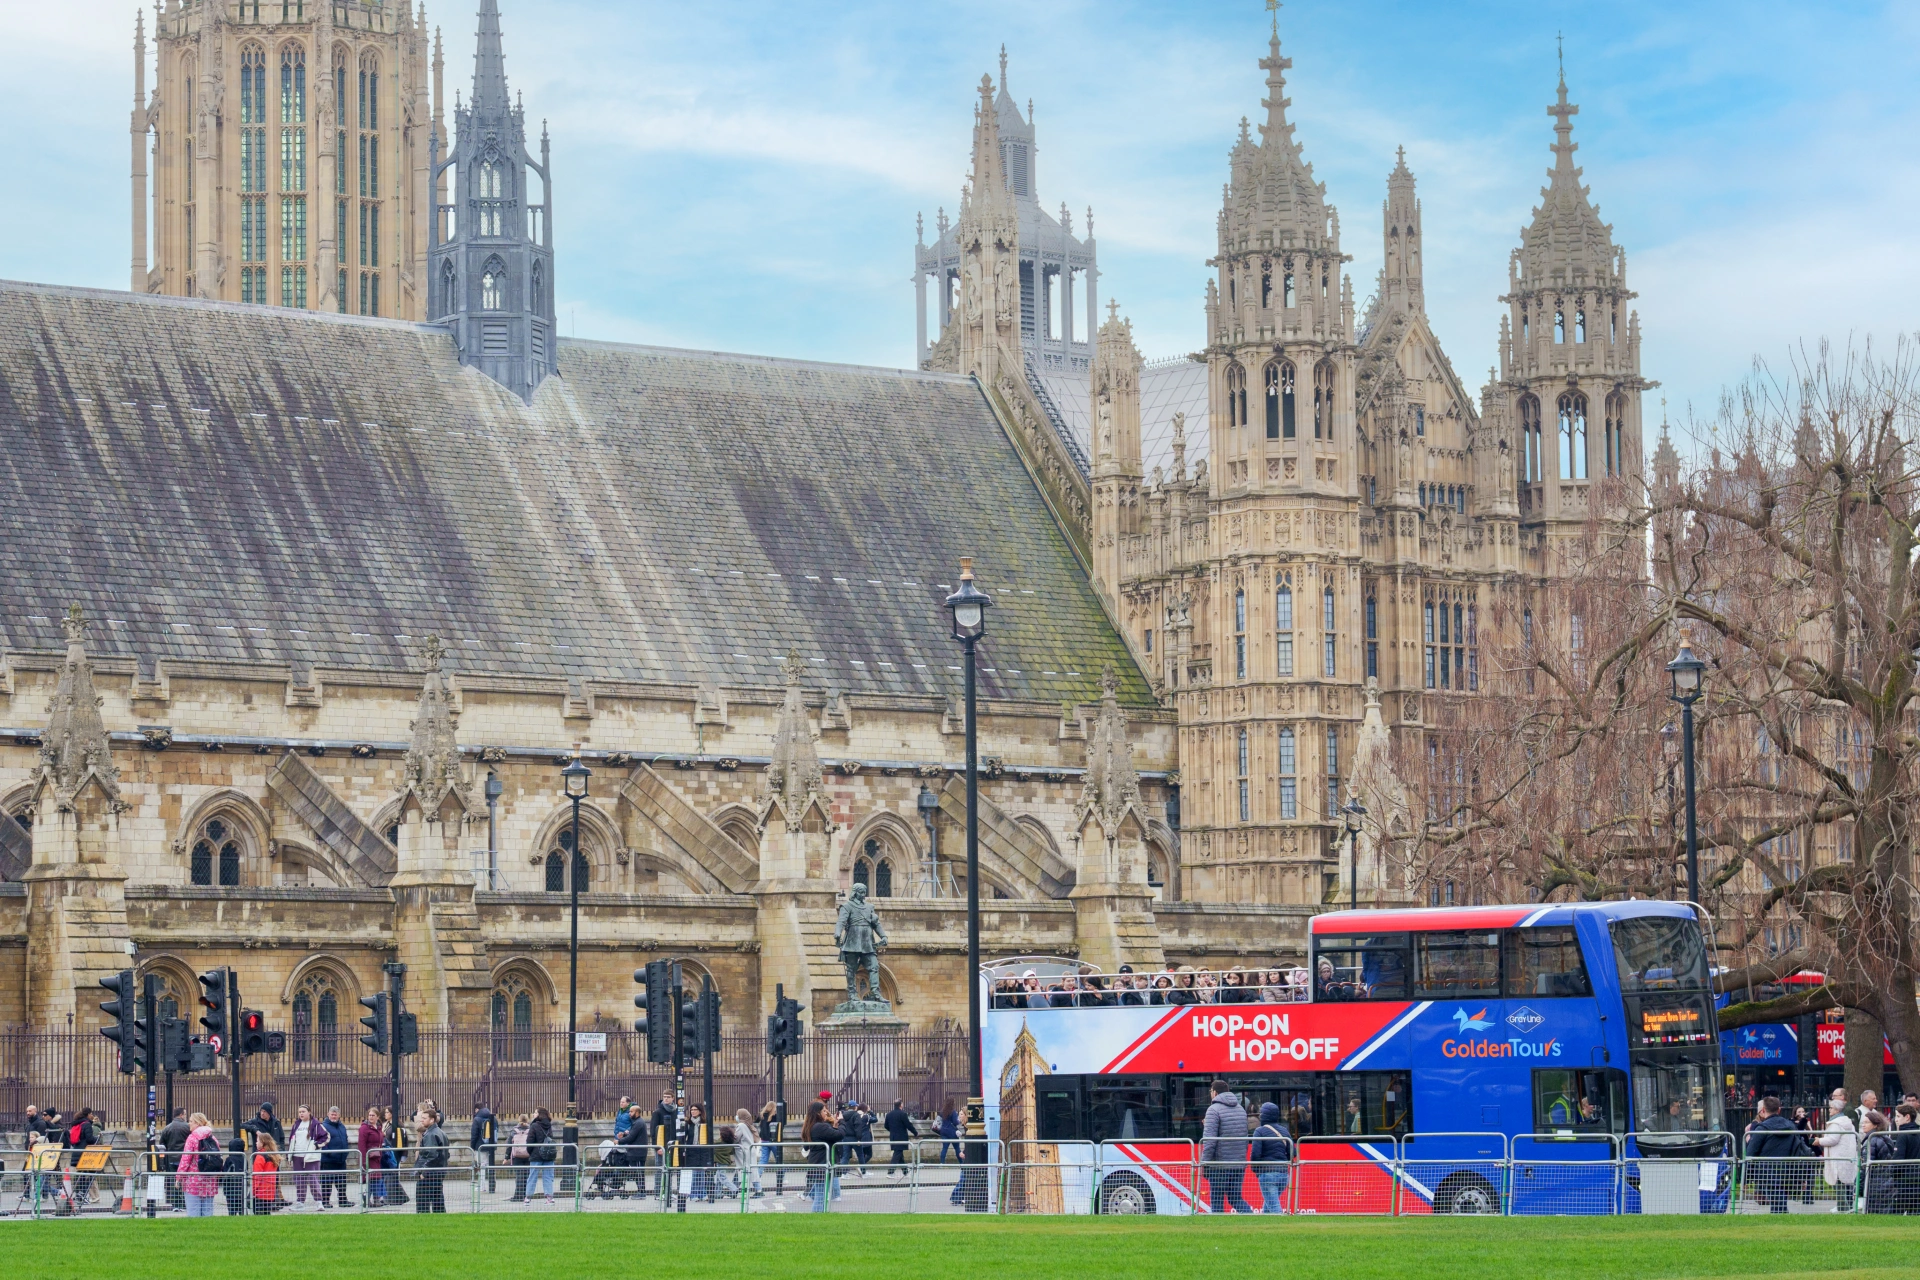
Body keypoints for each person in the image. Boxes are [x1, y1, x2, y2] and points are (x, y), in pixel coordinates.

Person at [1743, 1095, 1810, 1213]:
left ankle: (1780, 1221)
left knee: (1777, 1203)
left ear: (1763, 1110)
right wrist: (1802, 1176)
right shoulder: (1791, 1126)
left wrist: (1745, 1178)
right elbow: (1799, 1149)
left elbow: (1751, 1152)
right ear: (1779, 1109)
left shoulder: (1761, 1128)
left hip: (1767, 1171)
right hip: (1789, 1170)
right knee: (1780, 1202)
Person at [1200, 1080, 1254, 1214]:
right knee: (1235, 1198)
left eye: (1210, 1091)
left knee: (1217, 1200)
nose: (1210, 1094)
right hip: (1238, 1164)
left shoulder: (1213, 1110)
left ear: (1215, 1092)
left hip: (1219, 1165)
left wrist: (1204, 1163)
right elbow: (1244, 1138)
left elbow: (1209, 1141)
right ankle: (1252, 1219)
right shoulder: (1240, 1109)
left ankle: (1217, 1229)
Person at [1818, 1088, 1860, 1213]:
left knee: (1841, 1181)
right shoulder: (1843, 1118)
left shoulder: (1847, 1114)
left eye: (1835, 1096)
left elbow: (1834, 1138)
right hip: (1845, 1153)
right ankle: (1845, 1205)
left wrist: (1819, 1141)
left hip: (1841, 1154)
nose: (1833, 1098)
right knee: (1844, 1181)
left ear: (1843, 1097)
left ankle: (1844, 1206)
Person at [1250, 1101, 1292, 1214]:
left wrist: (1256, 1170)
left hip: (1267, 1174)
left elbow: (1255, 1154)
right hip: (1283, 1175)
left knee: (1275, 1209)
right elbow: (1292, 1153)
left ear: (1263, 1115)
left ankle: (1284, 1229)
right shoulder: (1284, 1131)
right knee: (1268, 1208)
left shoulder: (1259, 1131)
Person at [804, 1101, 842, 1213]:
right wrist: (842, 1123)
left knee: (821, 1193)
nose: (826, 1113)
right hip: (821, 1162)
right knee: (820, 1196)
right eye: (824, 1111)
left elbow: (831, 1136)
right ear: (817, 1113)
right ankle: (816, 1216)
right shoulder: (819, 1126)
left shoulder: (812, 1125)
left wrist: (834, 1127)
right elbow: (839, 1135)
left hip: (818, 1161)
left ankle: (817, 1212)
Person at [179, 1114, 221, 1217]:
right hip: (210, 1180)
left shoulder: (192, 1138)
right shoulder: (213, 1138)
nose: (189, 1123)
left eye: (191, 1121)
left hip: (193, 1180)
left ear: (197, 1123)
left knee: (193, 1213)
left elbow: (186, 1160)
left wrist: (179, 1176)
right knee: (207, 1213)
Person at [1862, 1110, 1900, 1214]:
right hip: (1886, 1180)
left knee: (1874, 1212)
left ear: (1875, 1124)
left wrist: (1860, 1185)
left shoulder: (1871, 1141)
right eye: (1863, 1122)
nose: (1863, 1125)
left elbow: (1865, 1166)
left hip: (1876, 1182)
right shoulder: (1885, 1138)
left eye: (1866, 1122)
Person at [288, 1104, 325, 1209]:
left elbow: (326, 1137)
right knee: (299, 1180)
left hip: (311, 1157)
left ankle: (319, 1202)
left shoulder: (316, 1124)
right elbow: (291, 1140)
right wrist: (290, 1156)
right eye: (299, 1112)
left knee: (313, 1180)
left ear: (309, 1112)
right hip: (297, 1156)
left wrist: (316, 1145)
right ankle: (300, 1202)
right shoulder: (296, 1125)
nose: (301, 1114)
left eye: (303, 1111)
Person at [415, 1107, 449, 1213]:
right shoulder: (440, 1132)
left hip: (430, 1172)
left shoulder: (431, 1134)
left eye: (424, 1118)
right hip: (439, 1171)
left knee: (423, 1201)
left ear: (432, 1120)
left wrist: (423, 1172)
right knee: (437, 1200)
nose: (422, 1120)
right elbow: (445, 1154)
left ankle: (423, 1221)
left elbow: (432, 1155)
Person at [65, 1107, 100, 1205]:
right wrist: (97, 1137)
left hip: (76, 1152)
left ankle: (79, 1195)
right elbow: (89, 1139)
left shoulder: (77, 1124)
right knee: (90, 1175)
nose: (92, 1115)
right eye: (91, 1113)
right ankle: (83, 1195)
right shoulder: (87, 1124)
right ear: (88, 1114)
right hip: (85, 1154)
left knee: (81, 1176)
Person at [318, 1106, 351, 1208]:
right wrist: (329, 1153)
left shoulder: (342, 1126)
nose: (333, 1116)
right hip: (328, 1160)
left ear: (339, 1115)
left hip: (341, 1160)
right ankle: (325, 1201)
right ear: (328, 1114)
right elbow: (321, 1142)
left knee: (342, 1182)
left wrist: (345, 1153)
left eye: (335, 1114)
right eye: (332, 1114)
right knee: (326, 1182)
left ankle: (343, 1200)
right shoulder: (323, 1126)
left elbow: (345, 1139)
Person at [160, 1106, 191, 1212]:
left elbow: (162, 1144)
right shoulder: (188, 1127)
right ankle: (185, 1203)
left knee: (174, 1181)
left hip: (172, 1158)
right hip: (185, 1158)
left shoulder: (167, 1128)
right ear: (181, 1115)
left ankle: (176, 1204)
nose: (186, 1117)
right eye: (185, 1114)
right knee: (185, 1180)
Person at [356, 1105, 386, 1208]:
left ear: (377, 1117)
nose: (371, 1117)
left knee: (377, 1179)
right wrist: (363, 1161)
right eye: (370, 1115)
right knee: (370, 1179)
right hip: (369, 1158)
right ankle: (366, 1199)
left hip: (377, 1158)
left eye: (373, 1115)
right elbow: (361, 1145)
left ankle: (376, 1199)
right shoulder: (364, 1128)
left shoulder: (378, 1128)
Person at [525, 1107, 557, 1205]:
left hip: (536, 1154)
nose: (533, 1114)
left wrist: (530, 1152)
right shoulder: (549, 1125)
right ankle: (549, 1197)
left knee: (533, 1176)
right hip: (548, 1154)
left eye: (535, 1113)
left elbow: (529, 1141)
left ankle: (528, 1197)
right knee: (548, 1176)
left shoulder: (534, 1125)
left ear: (539, 1114)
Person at [469, 1100, 498, 1195]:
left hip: (480, 1145)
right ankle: (492, 1185)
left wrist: (472, 1146)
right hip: (491, 1145)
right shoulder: (493, 1117)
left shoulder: (477, 1119)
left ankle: (482, 1186)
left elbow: (474, 1134)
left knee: (481, 1166)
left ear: (477, 1109)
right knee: (490, 1165)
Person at [757, 1102, 784, 1196]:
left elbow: (756, 1121)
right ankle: (781, 1178)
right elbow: (782, 1125)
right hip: (773, 1140)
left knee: (763, 1160)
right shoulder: (775, 1116)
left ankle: (757, 1177)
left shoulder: (762, 1116)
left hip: (764, 1140)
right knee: (779, 1160)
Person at [250, 1134, 281, 1215]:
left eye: (257, 1141)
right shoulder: (274, 1156)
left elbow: (257, 1177)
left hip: (260, 1192)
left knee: (258, 1214)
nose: (256, 1143)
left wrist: (253, 1192)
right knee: (266, 1214)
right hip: (270, 1191)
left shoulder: (260, 1156)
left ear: (262, 1143)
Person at [883, 1100, 914, 1176]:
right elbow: (908, 1125)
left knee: (900, 1154)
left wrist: (892, 1130)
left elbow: (885, 1125)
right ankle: (890, 1172)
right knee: (897, 1154)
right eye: (902, 1103)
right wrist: (915, 1132)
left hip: (893, 1136)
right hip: (901, 1137)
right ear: (901, 1105)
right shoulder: (902, 1114)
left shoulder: (889, 1114)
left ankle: (905, 1171)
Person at [506, 1114, 533, 1202]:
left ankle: (518, 1195)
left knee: (519, 1176)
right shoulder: (531, 1130)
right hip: (528, 1155)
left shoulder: (514, 1130)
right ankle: (526, 1196)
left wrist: (506, 1157)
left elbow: (509, 1144)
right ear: (527, 1120)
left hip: (516, 1156)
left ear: (519, 1120)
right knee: (527, 1176)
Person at [844, 1101, 875, 1175]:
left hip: (846, 1138)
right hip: (856, 1138)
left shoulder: (844, 1115)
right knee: (861, 1155)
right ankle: (863, 1172)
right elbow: (858, 1128)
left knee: (845, 1156)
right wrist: (858, 1139)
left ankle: (843, 1173)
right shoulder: (858, 1115)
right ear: (855, 1107)